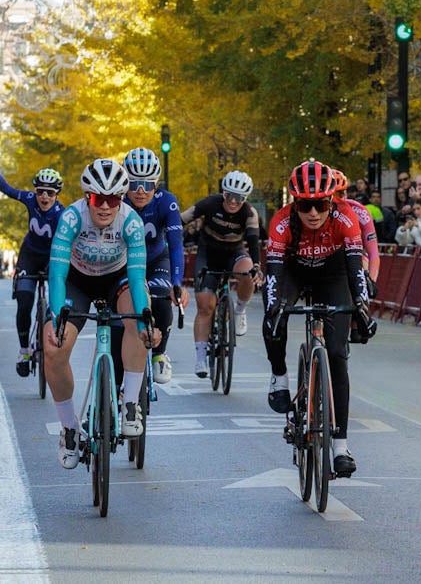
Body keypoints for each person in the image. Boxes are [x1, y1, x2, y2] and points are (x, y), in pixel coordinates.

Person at [262, 160, 375, 479]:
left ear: (331, 201)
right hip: (294, 270)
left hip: (332, 273)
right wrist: (273, 311)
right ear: (294, 203)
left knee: (337, 354)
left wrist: (363, 308)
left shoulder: (345, 218)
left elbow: (356, 270)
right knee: (274, 320)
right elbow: (273, 277)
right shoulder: (281, 222)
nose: (313, 213)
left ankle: (341, 447)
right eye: (304, 206)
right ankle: (279, 377)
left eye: (321, 205)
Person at [44, 158, 159, 468]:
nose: (106, 206)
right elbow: (57, 274)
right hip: (76, 281)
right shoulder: (71, 218)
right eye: (98, 199)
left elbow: (137, 276)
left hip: (117, 280)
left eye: (113, 199)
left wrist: (145, 318)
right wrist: (56, 317)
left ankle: (130, 403)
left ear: (121, 199)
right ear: (87, 197)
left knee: (138, 317)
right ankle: (70, 428)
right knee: (53, 348)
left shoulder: (130, 222)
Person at [0, 155, 66, 377]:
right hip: (29, 255)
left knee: (57, 297)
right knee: (24, 300)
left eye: (50, 193)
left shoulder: (63, 214)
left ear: (57, 195)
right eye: (40, 192)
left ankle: (51, 333)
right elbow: (8, 190)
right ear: (35, 192)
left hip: (52, 257)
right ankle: (24, 351)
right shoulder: (29, 199)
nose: (44, 197)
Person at [182, 169, 262, 378]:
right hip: (208, 254)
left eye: (239, 198)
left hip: (234, 253)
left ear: (245, 199)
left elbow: (253, 241)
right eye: (229, 195)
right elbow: (182, 219)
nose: (233, 201)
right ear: (223, 193)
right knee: (205, 306)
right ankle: (201, 358)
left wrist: (257, 266)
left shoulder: (249, 213)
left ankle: (240, 309)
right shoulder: (210, 203)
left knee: (247, 272)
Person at [121, 147, 183, 385]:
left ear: (156, 185)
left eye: (147, 185)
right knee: (122, 313)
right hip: (124, 263)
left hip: (156, 260)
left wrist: (176, 283)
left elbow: (176, 245)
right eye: (134, 183)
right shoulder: (116, 201)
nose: (140, 191)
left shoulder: (167, 202)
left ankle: (159, 354)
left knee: (161, 299)